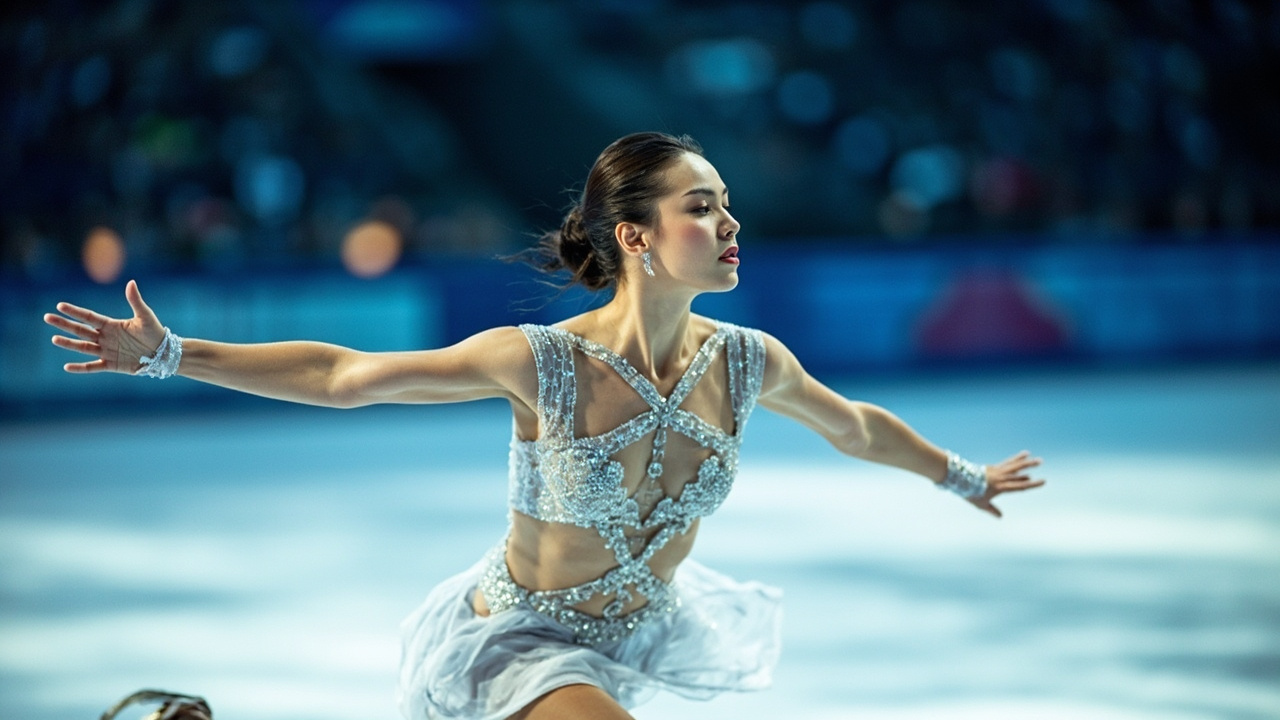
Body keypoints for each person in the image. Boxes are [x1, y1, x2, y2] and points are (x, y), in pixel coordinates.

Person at [46, 132, 1045, 720]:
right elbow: (347, 374)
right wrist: (175, 353)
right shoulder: (543, 361)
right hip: (522, 638)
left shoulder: (748, 362)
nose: (730, 224)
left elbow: (854, 426)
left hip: (650, 636)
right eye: (702, 208)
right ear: (636, 236)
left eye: (727, 205)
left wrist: (958, 475)